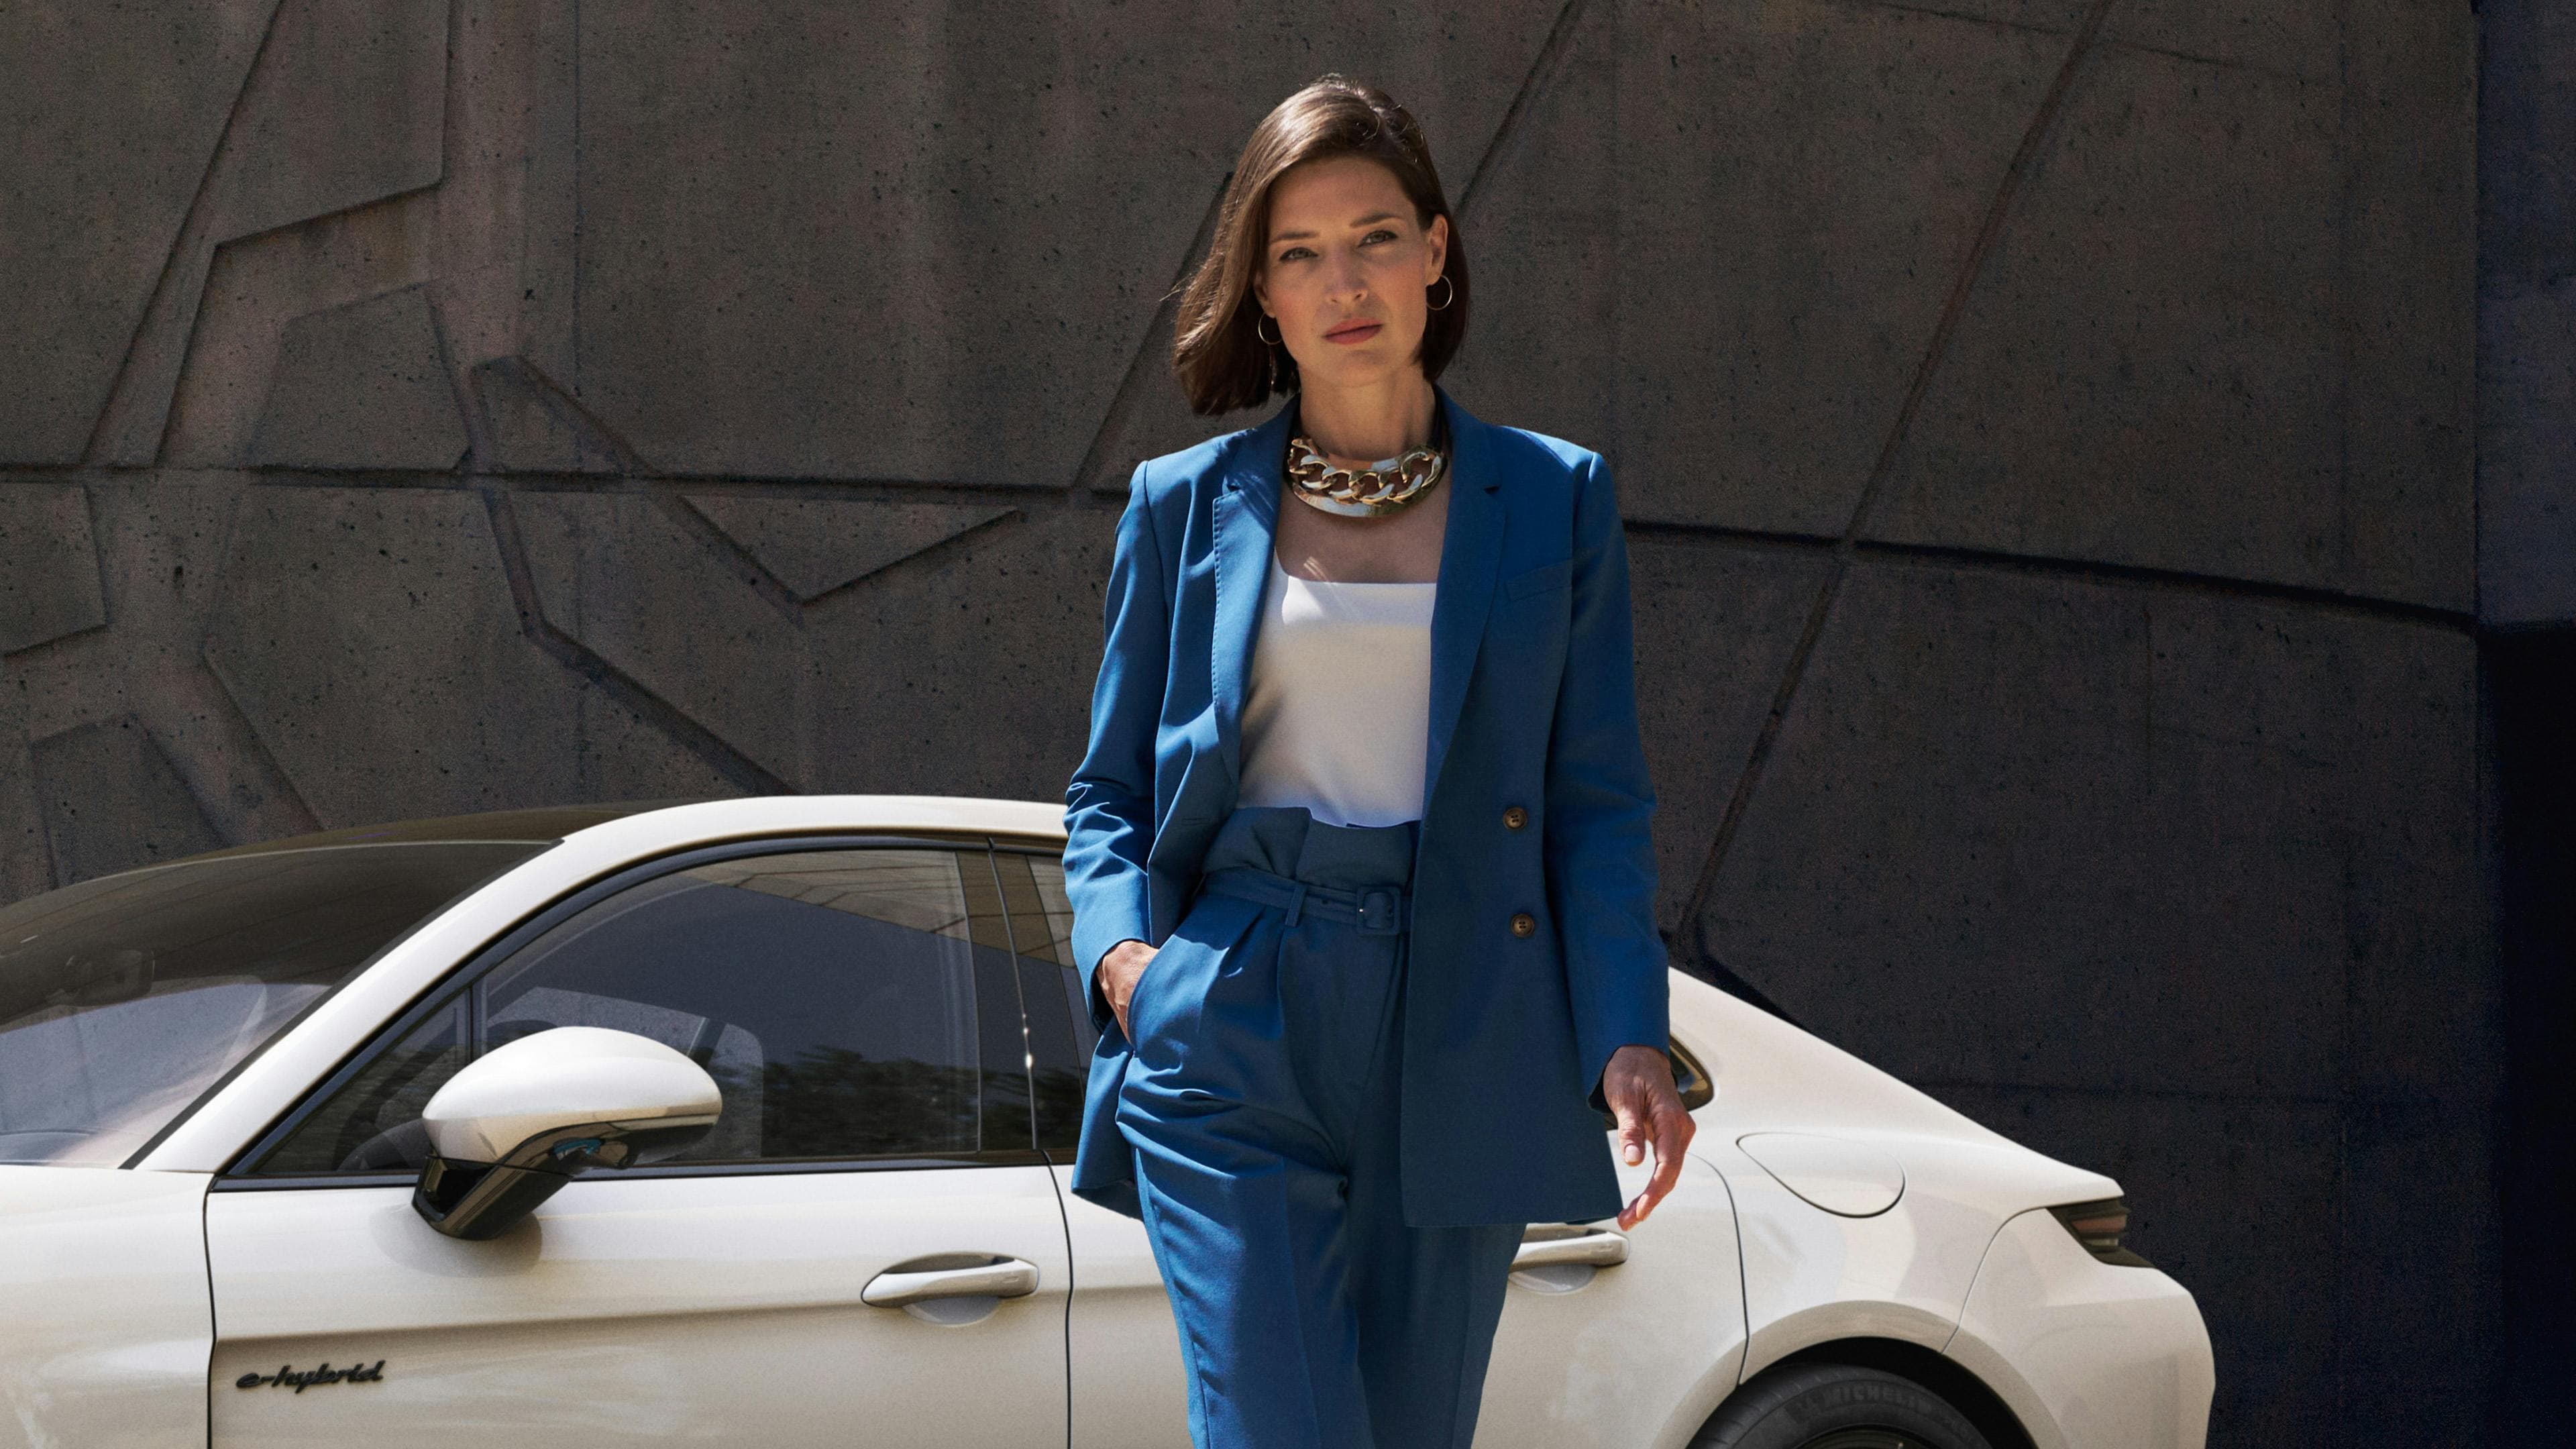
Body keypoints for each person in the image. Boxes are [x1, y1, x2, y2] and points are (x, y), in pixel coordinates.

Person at [1061, 73, 1693, 1449]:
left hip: (1463, 1010)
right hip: (1232, 1022)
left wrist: (1626, 1029)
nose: (1344, 281)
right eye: (1299, 253)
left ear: (1437, 252)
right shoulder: (1181, 513)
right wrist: (1127, 969)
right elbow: (1110, 792)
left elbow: (1596, 801)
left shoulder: (1555, 501)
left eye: (1376, 237)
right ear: (1264, 296)